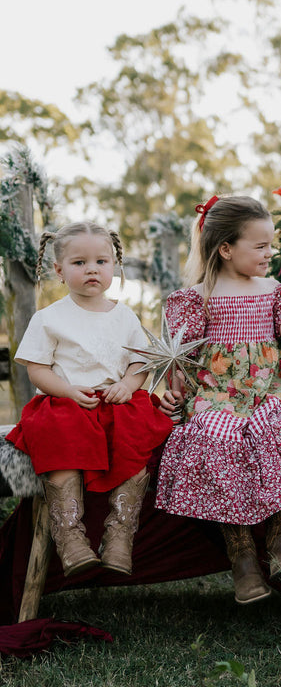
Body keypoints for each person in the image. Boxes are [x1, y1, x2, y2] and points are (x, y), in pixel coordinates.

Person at [155, 194, 281, 605]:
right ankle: (241, 559)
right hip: (214, 396)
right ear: (225, 248)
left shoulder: (273, 289)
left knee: (273, 429)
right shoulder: (198, 296)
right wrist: (172, 392)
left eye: (269, 244)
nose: (269, 253)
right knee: (216, 438)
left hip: (261, 394)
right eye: (259, 246)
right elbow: (178, 357)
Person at [6, 221, 173, 577]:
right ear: (59, 270)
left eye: (101, 261)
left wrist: (129, 385)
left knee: (136, 433)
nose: (91, 269)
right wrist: (67, 391)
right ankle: (70, 538)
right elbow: (38, 371)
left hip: (115, 401)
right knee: (59, 434)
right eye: (79, 263)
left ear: (114, 266)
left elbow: (139, 362)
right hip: (68, 400)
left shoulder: (124, 315)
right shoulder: (49, 318)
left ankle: (119, 537)